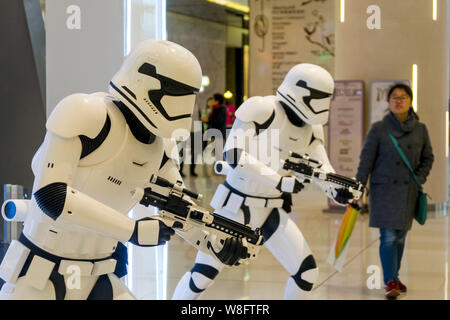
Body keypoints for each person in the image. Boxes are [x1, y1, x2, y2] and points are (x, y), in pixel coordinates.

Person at [0, 40, 251, 300]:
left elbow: (178, 206)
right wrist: (132, 231)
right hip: (40, 275)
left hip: (102, 275)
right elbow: (51, 195)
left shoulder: (158, 146)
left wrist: (213, 243)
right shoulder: (86, 114)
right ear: (146, 81)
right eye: (176, 91)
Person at [172, 63, 357, 300]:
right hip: (235, 205)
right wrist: (279, 181)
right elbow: (233, 154)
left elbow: (321, 168)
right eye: (319, 97)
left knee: (306, 273)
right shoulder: (262, 109)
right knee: (202, 275)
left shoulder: (312, 129)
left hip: (272, 209)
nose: (322, 104)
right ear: (301, 91)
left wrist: (337, 189)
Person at [355, 83, 434, 299]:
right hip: (384, 191)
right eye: (394, 98)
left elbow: (428, 158)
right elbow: (366, 161)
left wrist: (418, 178)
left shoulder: (421, 129)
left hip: (408, 191)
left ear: (410, 101)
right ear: (389, 103)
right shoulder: (379, 129)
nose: (398, 101)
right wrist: (359, 186)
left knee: (400, 237)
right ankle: (390, 280)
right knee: (388, 237)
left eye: (403, 97)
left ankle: (394, 277)